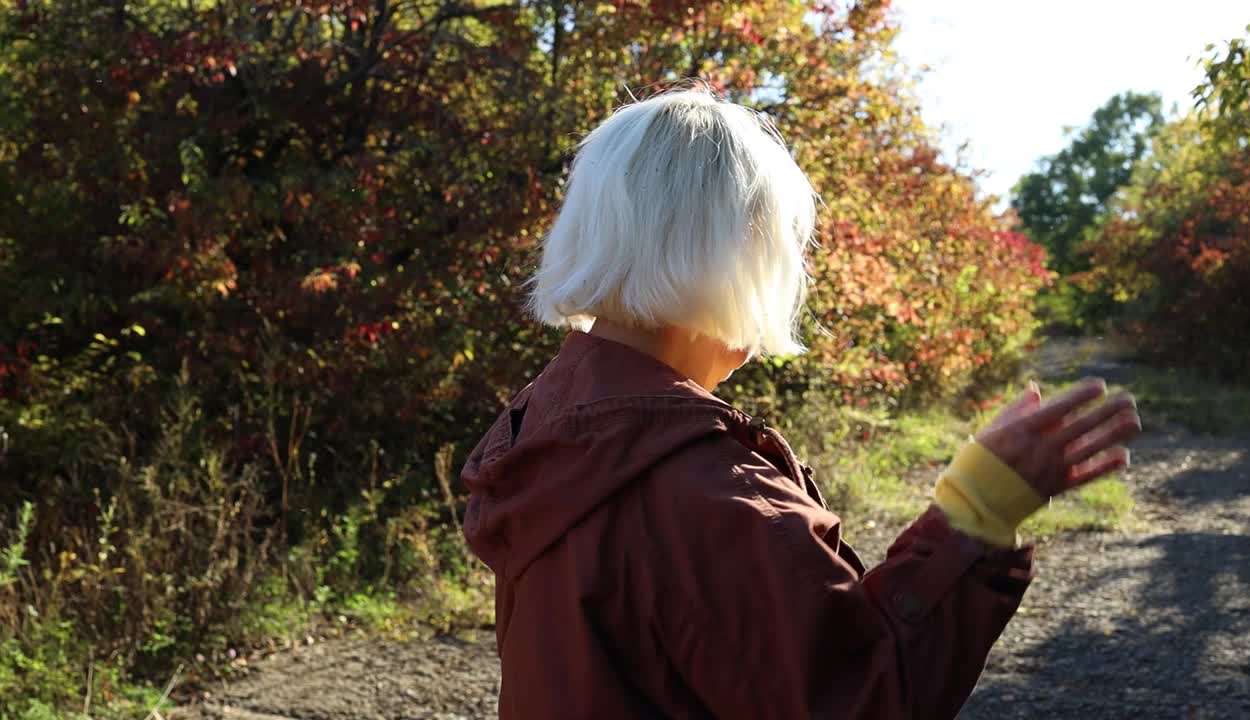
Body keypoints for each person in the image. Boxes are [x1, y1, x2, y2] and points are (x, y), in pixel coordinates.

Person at [462, 87, 1142, 719]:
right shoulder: (707, 495)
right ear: (740, 247)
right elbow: (866, 697)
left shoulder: (542, 431)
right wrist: (979, 513)